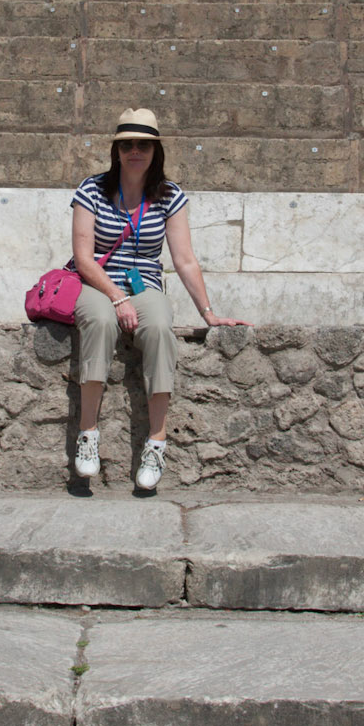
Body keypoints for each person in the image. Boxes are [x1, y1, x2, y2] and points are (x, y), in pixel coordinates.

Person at [68, 108, 245, 492]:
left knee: (161, 327)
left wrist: (209, 313)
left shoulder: (169, 195)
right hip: (97, 283)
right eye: (127, 145)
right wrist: (116, 297)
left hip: (145, 284)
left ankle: (157, 442)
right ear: (116, 151)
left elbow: (184, 259)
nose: (135, 151)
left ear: (155, 150)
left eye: (143, 145)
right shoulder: (92, 190)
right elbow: (83, 258)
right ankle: (88, 434)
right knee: (99, 321)